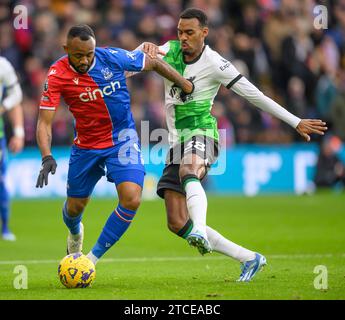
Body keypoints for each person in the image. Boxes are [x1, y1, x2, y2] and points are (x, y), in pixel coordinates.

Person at [136, 8, 328, 282]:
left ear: (204, 32)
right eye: (180, 32)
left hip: (204, 135)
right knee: (177, 222)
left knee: (189, 170)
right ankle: (250, 258)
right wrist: (138, 52)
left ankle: (200, 230)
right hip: (176, 142)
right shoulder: (172, 49)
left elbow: (255, 96)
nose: (183, 37)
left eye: (189, 32)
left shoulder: (216, 64)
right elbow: (143, 58)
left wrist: (294, 121)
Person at [35, 24, 193, 265]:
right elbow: (44, 122)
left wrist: (184, 84)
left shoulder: (111, 57)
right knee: (75, 208)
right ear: (66, 49)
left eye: (89, 53)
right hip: (86, 146)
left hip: (122, 140)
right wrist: (47, 156)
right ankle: (75, 232)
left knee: (132, 198)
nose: (86, 60)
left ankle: (90, 260)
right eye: (78, 55)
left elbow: (151, 62)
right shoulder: (57, 75)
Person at [0, 56, 25, 241]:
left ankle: (5, 227)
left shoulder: (3, 65)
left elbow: (16, 96)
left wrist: (18, 132)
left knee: (1, 181)